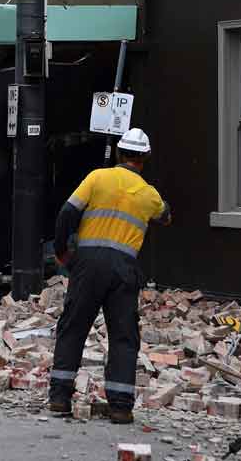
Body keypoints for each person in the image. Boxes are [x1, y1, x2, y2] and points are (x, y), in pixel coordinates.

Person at [47, 128, 171, 424]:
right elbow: (166, 216)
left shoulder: (97, 178)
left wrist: (63, 251)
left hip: (87, 264)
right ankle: (120, 406)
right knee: (124, 336)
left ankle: (60, 398)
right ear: (146, 158)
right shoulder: (148, 193)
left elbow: (66, 213)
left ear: (118, 153)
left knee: (73, 326)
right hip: (124, 269)